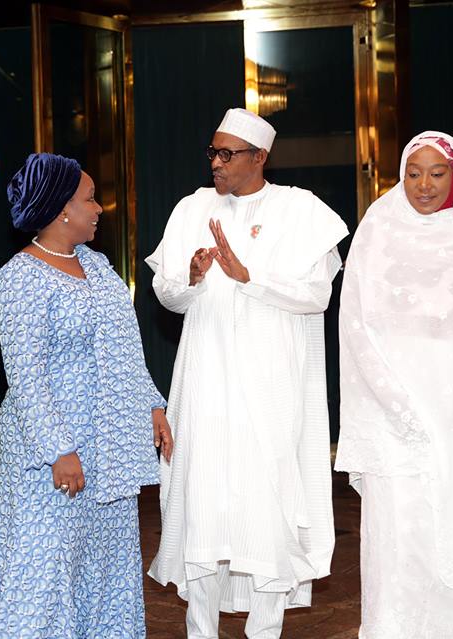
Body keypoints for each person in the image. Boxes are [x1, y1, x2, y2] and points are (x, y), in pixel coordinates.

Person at [146, 108, 347, 639]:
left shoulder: (298, 209)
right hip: (206, 379)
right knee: (202, 500)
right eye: (212, 152)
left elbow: (317, 296)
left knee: (269, 502)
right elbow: (166, 296)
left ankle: (265, 630)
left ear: (261, 157)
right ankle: (200, 630)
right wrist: (190, 278)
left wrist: (248, 276)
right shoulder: (191, 208)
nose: (216, 162)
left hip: (272, 383)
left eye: (227, 153)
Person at [335, 131, 453, 638]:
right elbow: (353, 319)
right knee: (402, 529)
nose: (423, 185)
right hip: (392, 402)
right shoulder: (379, 225)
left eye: (437, 173)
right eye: (413, 173)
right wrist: (388, 398)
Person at [0, 152, 173, 638]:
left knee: (107, 567)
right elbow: (25, 376)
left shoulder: (97, 266)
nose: (99, 208)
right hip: (53, 450)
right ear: (59, 209)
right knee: (46, 567)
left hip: (109, 444)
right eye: (90, 199)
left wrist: (152, 403)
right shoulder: (18, 278)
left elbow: (126, 347)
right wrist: (59, 450)